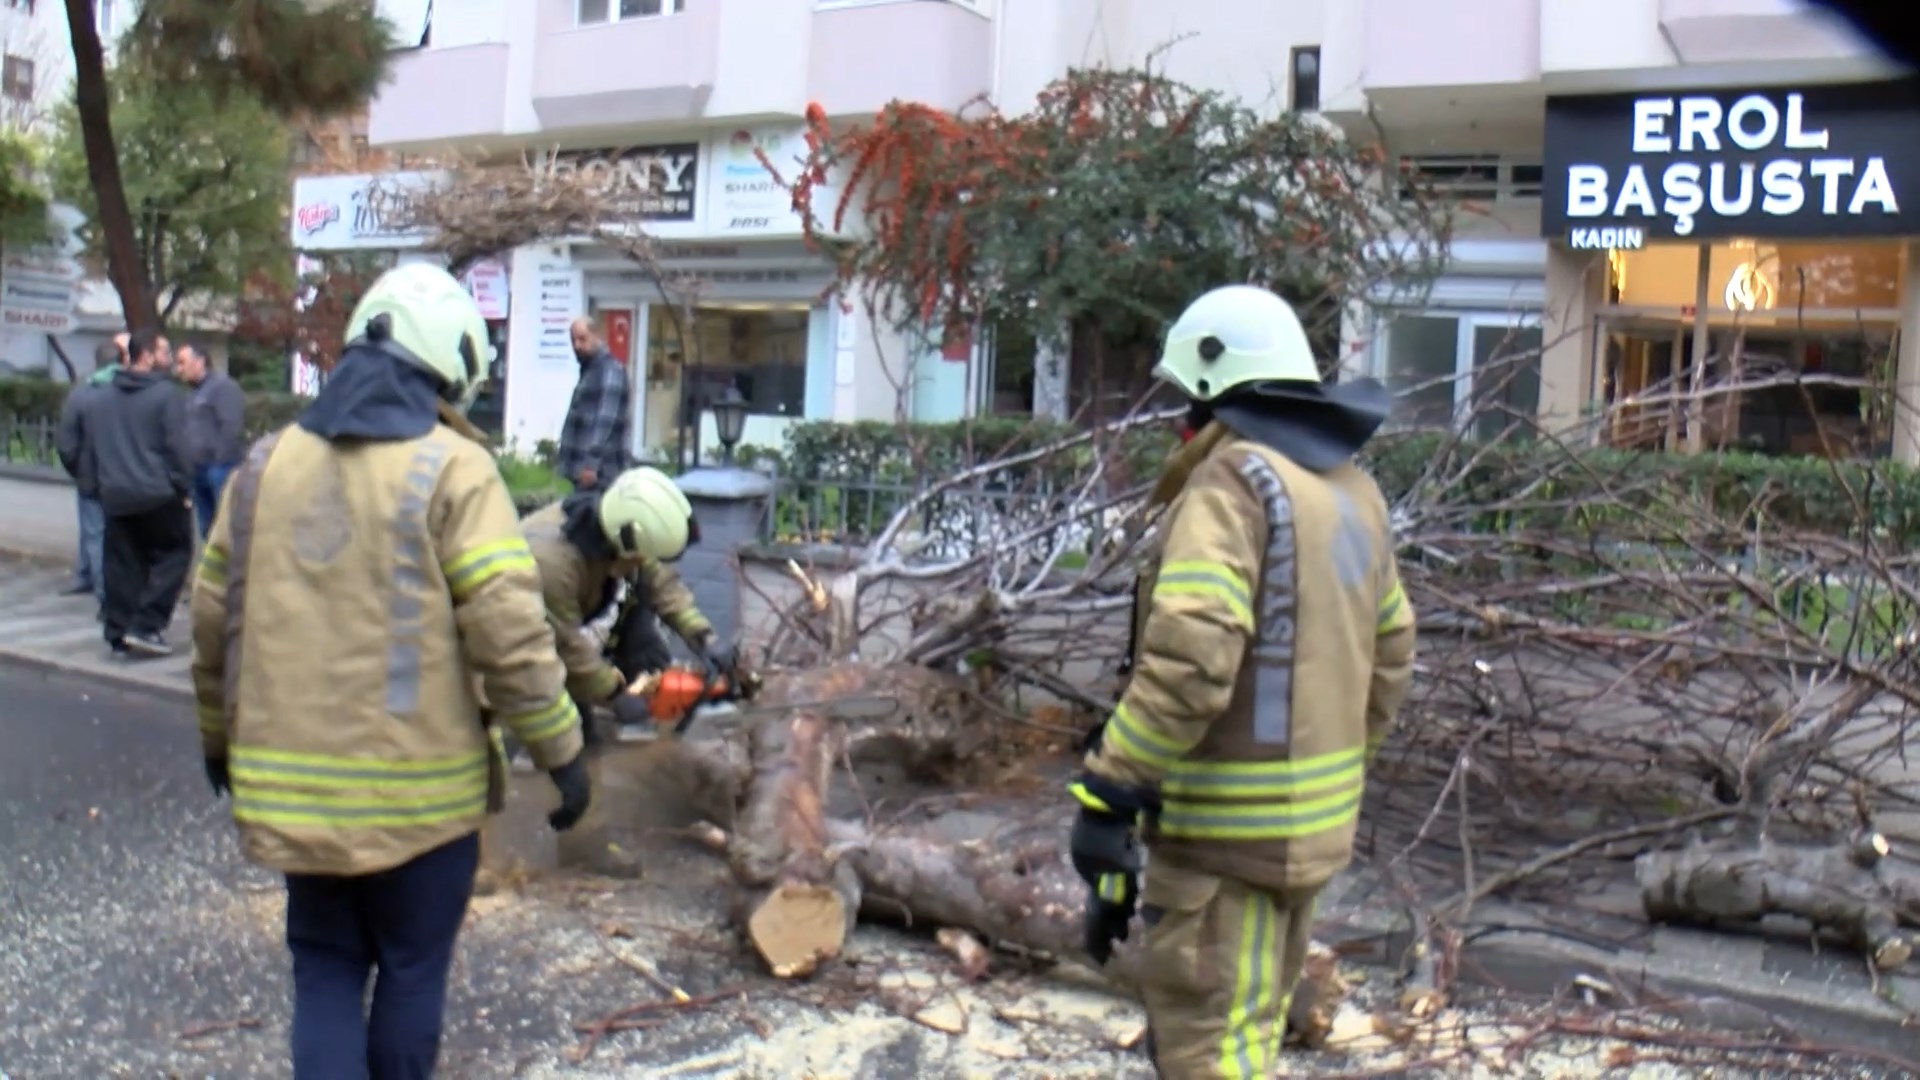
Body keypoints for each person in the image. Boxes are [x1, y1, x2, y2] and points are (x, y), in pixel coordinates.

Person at [187, 262, 592, 1080]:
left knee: (327, 975)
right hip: (423, 806)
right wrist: (563, 751)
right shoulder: (453, 468)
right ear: (450, 364)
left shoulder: (264, 466)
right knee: (411, 973)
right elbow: (509, 633)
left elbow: (210, 622)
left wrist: (215, 739)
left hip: (292, 797)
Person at [1065, 285, 1418, 1079]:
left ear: (1210, 386)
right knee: (1249, 1035)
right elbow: (1392, 650)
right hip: (1313, 833)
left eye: (1184, 396)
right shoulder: (1353, 490)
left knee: (1211, 1050)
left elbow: (1193, 661)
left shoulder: (1235, 483)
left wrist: (1111, 789)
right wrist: (1324, 767)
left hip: (1222, 845)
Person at [521, 465, 729, 745]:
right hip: (517, 643)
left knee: (643, 640)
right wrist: (614, 693)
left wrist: (703, 637)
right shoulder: (553, 566)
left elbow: (661, 583)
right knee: (567, 734)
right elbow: (567, 647)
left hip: (566, 624)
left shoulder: (620, 525)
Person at [88, 330, 192, 657]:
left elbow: (92, 446)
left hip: (116, 493)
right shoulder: (166, 396)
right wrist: (183, 486)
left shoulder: (102, 396)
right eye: (164, 351)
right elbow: (177, 446)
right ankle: (147, 624)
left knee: (122, 564)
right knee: (175, 554)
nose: (169, 358)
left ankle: (117, 630)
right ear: (145, 355)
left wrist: (96, 485)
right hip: (157, 493)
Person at [55, 340, 124, 607]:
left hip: (92, 475)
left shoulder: (82, 394)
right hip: (126, 476)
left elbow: (66, 441)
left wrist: (78, 469)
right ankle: (92, 577)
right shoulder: (132, 390)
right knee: (118, 535)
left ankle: (103, 591)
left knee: (94, 533)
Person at [174, 342, 246, 538]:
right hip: (197, 469)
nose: (177, 369)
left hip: (219, 468)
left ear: (199, 361)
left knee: (224, 528)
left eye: (182, 362)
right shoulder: (191, 393)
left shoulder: (223, 387)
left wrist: (218, 461)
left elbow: (231, 427)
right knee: (207, 528)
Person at [555, 317, 630, 492]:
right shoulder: (591, 370)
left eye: (582, 339)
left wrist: (591, 464)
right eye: (573, 340)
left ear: (597, 336)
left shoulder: (610, 370)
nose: (577, 346)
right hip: (586, 472)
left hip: (601, 473)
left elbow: (605, 420)